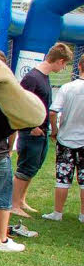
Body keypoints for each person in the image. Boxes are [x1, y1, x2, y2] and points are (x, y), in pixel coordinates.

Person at [11, 42, 73, 217]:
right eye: (65, 64)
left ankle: (22, 200)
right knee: (24, 169)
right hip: (31, 132)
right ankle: (13, 204)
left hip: (42, 131)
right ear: (59, 61)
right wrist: (31, 127)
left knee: (34, 167)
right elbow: (20, 103)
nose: (64, 68)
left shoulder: (44, 77)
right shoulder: (32, 77)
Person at [0, 50, 24, 251]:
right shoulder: (5, 95)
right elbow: (13, 126)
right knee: (2, 197)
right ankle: (2, 239)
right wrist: (10, 148)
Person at [43, 54, 84, 222]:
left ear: (79, 66)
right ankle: (82, 214)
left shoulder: (67, 87)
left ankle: (57, 212)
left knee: (62, 177)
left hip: (65, 138)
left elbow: (53, 111)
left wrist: (55, 129)